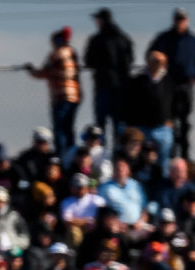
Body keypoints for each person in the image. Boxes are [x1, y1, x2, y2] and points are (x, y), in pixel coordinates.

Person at [148, 8, 195, 160]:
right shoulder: (164, 39)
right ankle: (172, 154)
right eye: (177, 19)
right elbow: (151, 55)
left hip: (186, 86)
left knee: (184, 122)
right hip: (168, 86)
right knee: (169, 120)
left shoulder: (193, 41)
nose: (180, 23)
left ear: (186, 21)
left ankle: (185, 155)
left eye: (182, 20)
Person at [27, 26, 82, 158]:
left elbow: (44, 72)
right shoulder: (72, 53)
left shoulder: (56, 54)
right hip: (74, 96)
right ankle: (70, 154)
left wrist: (31, 70)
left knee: (59, 130)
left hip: (61, 96)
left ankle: (62, 157)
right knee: (69, 129)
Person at [83, 8, 134, 143]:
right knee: (119, 124)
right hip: (121, 88)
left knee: (100, 125)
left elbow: (88, 61)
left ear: (101, 21)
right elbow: (130, 60)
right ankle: (118, 155)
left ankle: (102, 153)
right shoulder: (124, 39)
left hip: (103, 86)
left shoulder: (97, 40)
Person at [124, 51, 175, 173]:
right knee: (137, 153)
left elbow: (177, 103)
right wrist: (130, 123)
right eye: (155, 61)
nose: (157, 64)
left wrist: (171, 119)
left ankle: (162, 177)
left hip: (161, 127)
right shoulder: (138, 81)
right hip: (141, 126)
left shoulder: (169, 82)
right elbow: (128, 102)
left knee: (164, 150)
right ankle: (138, 175)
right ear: (148, 62)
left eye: (161, 62)